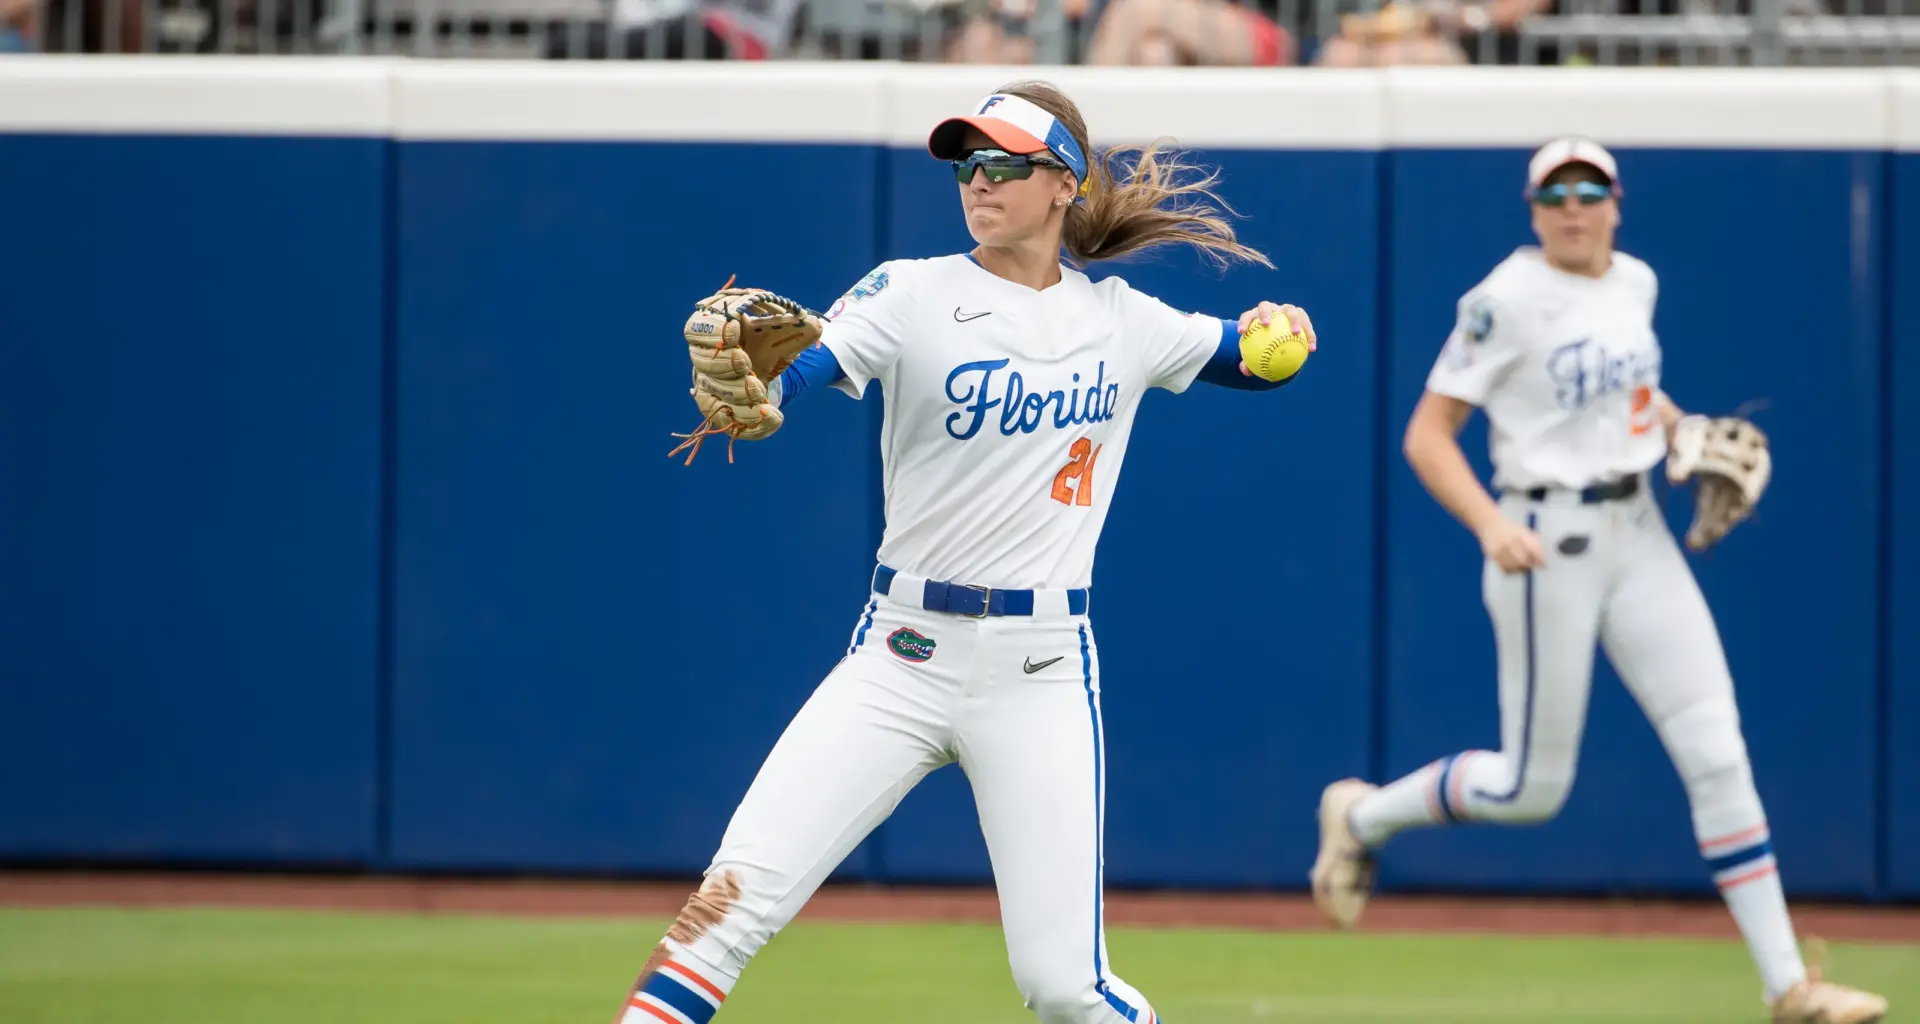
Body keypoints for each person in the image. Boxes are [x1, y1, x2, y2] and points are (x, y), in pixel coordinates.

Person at [618, 79, 1317, 1024]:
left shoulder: (1124, 319)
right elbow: (807, 366)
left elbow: (1249, 359)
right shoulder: (911, 291)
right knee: (722, 913)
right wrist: (766, 394)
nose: (977, 180)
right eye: (965, 164)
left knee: (1065, 989)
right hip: (899, 658)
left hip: (1041, 671)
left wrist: (1286, 332)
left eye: (1001, 163)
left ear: (1064, 182)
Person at [1307, 137, 1888, 1024]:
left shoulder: (1635, 283)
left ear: (1617, 203)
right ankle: (1361, 819)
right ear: (1533, 209)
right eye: (1555, 193)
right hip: (1547, 540)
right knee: (1528, 790)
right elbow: (1427, 435)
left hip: (1639, 528)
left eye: (1589, 190)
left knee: (1717, 752)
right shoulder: (1504, 299)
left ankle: (1789, 988)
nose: (1572, 207)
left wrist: (1682, 430)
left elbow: (1634, 398)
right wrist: (1491, 524)